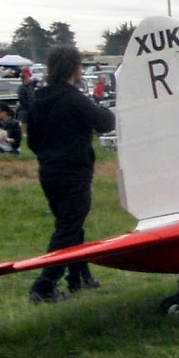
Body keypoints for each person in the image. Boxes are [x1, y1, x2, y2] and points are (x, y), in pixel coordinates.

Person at [26, 45, 116, 302]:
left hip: (48, 171)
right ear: (74, 69)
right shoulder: (73, 98)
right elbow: (104, 123)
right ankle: (43, 286)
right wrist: (107, 110)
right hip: (74, 171)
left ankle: (78, 277)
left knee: (71, 225)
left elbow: (32, 140)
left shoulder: (39, 99)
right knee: (68, 228)